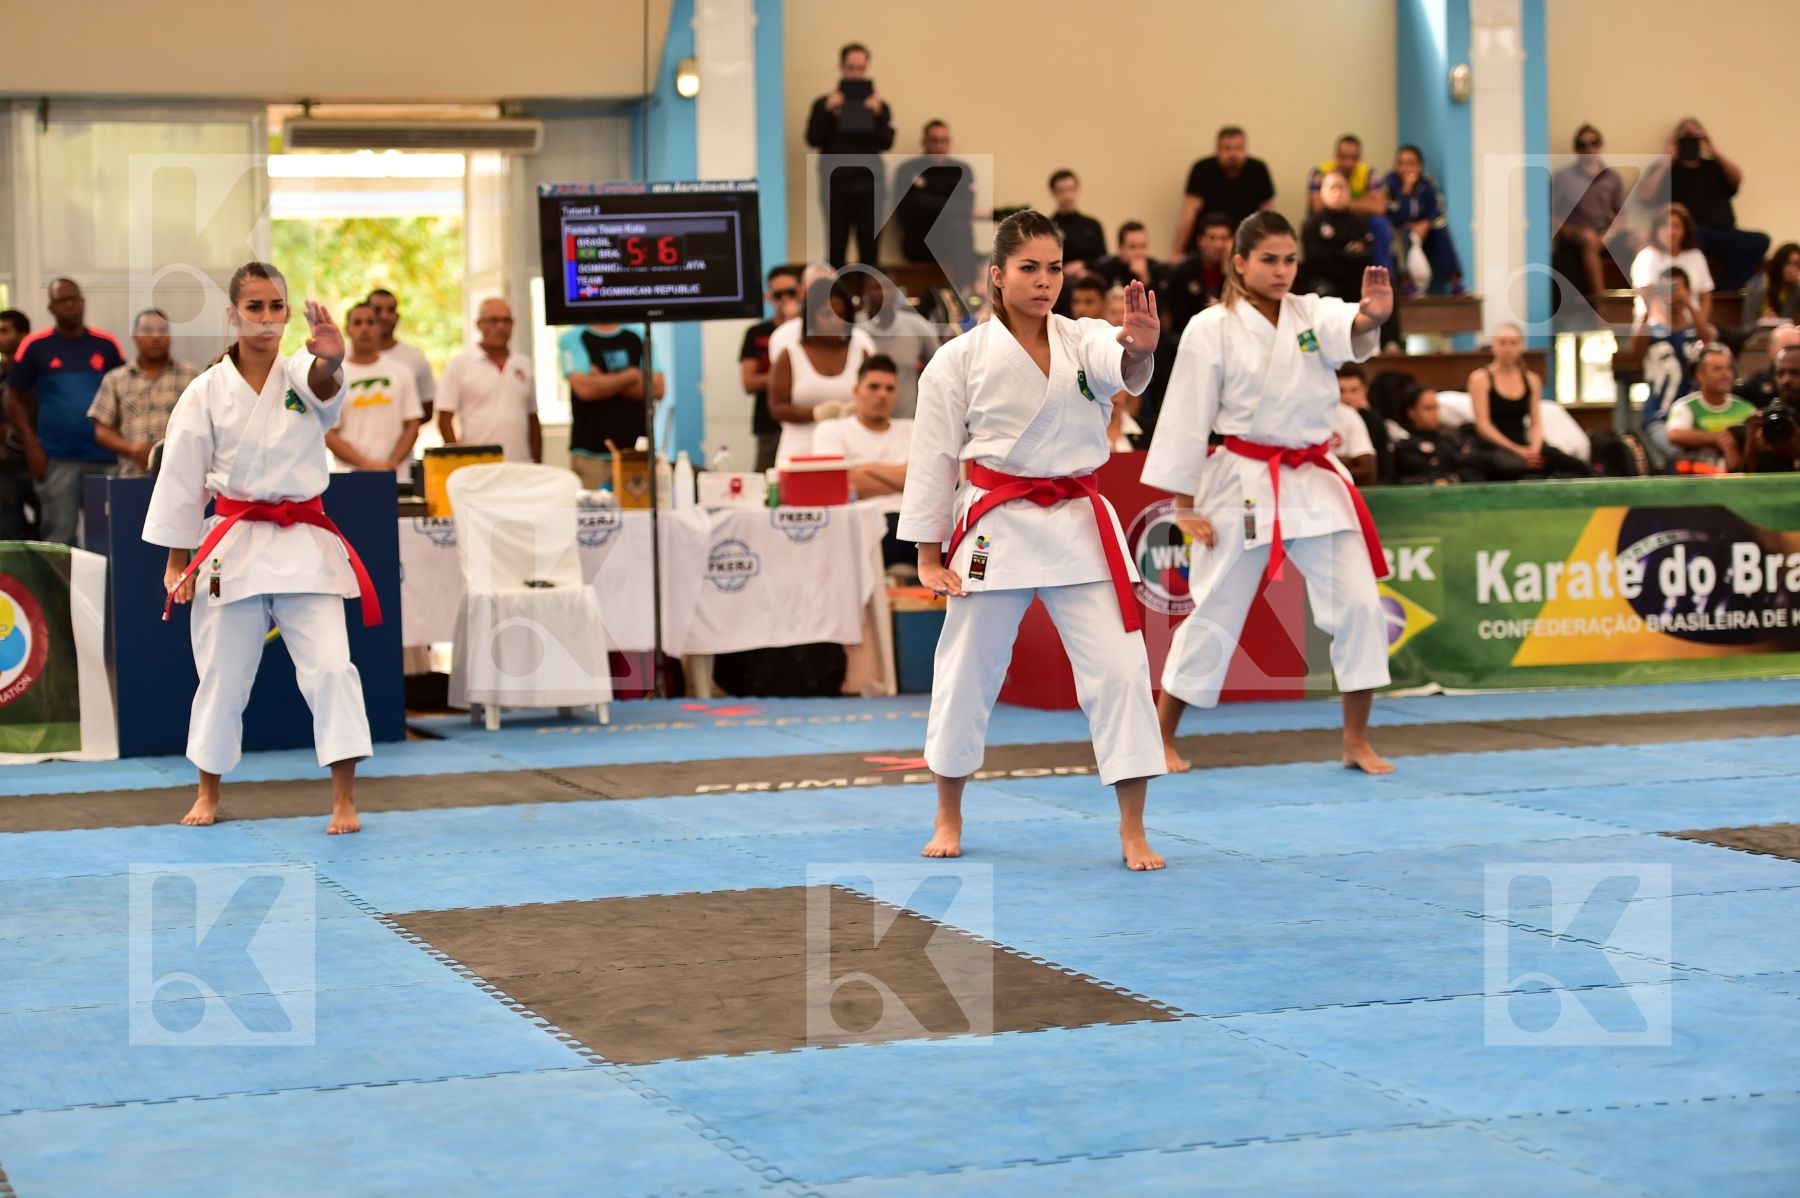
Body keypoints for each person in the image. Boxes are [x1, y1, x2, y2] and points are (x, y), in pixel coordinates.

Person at [899, 210, 1166, 870]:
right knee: (965, 672)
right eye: (1028, 268)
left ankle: (1133, 828)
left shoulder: (1086, 339)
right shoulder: (958, 359)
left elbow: (1121, 364)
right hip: (999, 523)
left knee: (1122, 670)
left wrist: (1139, 347)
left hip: (1078, 521)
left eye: (1053, 268)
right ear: (997, 276)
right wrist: (928, 556)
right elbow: (933, 456)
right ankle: (948, 811)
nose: (1044, 281)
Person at [1144, 213, 1395, 777]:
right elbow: (1187, 413)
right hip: (1243, 478)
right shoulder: (1212, 327)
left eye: (1289, 260)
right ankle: (1158, 737)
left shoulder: (1311, 312)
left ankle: (1356, 740)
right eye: (1268, 260)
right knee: (1213, 611)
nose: (1281, 271)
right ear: (1239, 263)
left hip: (1313, 477)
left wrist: (1370, 315)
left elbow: (1349, 329)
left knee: (1360, 604)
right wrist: (1183, 507)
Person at [147, 261, 374, 835]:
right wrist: (178, 561)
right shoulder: (204, 392)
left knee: (331, 668)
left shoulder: (302, 373)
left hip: (304, 540)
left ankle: (344, 799)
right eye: (255, 307)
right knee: (222, 673)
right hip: (234, 541)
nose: (267, 317)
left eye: (276, 306)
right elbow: (180, 477)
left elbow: (325, 389)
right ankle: (208, 791)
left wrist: (331, 358)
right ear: (233, 314)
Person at [2, 278, 126, 545]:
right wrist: (31, 446)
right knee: (59, 537)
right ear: (51, 307)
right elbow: (13, 398)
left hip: (104, 458)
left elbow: (124, 395)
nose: (70, 305)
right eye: (62, 300)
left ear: (82, 303)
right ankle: (60, 589)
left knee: (108, 538)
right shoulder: (36, 346)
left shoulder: (107, 345)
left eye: (74, 299)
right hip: (57, 459)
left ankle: (106, 589)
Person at [1641, 118, 1770, 292]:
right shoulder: (1666, 169)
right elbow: (1646, 195)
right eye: (1685, 136)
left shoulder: (1714, 166)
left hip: (1724, 233)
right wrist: (1668, 159)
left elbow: (1737, 180)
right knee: (1692, 240)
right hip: (1691, 234)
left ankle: (1724, 290)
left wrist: (1714, 151)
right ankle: (1693, 291)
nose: (1691, 140)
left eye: (1695, 135)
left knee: (1759, 241)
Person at [814, 355, 914, 570]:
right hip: (862, 523)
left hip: (913, 522)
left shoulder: (913, 430)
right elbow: (838, 486)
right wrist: (904, 477)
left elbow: (926, 482)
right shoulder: (831, 430)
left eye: (889, 389)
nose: (882, 395)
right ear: (856, 391)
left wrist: (866, 469)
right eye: (874, 387)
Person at [805, 42, 895, 268]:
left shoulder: (880, 106)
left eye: (860, 68)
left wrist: (877, 115)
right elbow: (813, 138)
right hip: (836, 186)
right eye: (850, 68)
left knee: (870, 250)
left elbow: (887, 142)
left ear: (867, 68)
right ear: (841, 67)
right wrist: (828, 110)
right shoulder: (823, 104)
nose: (855, 73)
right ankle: (835, 301)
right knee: (836, 249)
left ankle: (871, 301)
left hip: (870, 185)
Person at [767, 276, 875, 463]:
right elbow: (777, 408)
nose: (835, 321)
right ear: (811, 316)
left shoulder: (861, 350)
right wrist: (814, 413)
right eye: (827, 315)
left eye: (842, 315)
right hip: (800, 452)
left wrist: (862, 408)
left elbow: (877, 394)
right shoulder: (790, 354)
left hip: (851, 454)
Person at [88, 310, 200, 480]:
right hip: (131, 477)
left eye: (162, 331)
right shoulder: (116, 379)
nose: (155, 337)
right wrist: (130, 449)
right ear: (135, 336)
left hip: (182, 478)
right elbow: (101, 431)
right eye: (147, 331)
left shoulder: (191, 376)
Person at [1467, 324, 1588, 480]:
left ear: (1521, 346)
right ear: (1494, 346)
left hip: (1524, 443)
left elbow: (1535, 423)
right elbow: (1483, 427)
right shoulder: (1480, 379)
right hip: (1494, 447)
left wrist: (1534, 450)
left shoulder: (1532, 380)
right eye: (1502, 343)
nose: (1508, 349)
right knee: (1510, 466)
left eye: (1513, 343)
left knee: (1568, 462)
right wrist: (1518, 451)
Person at [324, 303, 424, 485]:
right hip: (350, 477)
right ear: (347, 329)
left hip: (397, 477)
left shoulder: (401, 372)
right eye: (358, 323)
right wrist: (366, 465)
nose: (365, 328)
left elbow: (412, 425)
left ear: (379, 328)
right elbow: (329, 433)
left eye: (370, 322)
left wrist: (390, 464)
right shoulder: (334, 376)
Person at [559, 321, 664, 489]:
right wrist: (632, 375)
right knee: (596, 513)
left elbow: (657, 389)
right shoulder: (574, 337)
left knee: (639, 512)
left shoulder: (638, 335)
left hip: (636, 455)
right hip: (591, 456)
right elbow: (585, 390)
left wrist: (602, 380)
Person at [436, 299, 541, 463]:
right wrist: (458, 459)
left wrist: (537, 462)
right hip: (478, 467)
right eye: (494, 320)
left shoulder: (523, 364)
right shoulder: (460, 365)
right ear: (479, 324)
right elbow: (444, 419)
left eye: (507, 320)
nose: (501, 326)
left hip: (520, 465)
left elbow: (532, 418)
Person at [892, 120, 976, 289]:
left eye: (944, 141)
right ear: (924, 142)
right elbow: (907, 211)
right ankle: (967, 291)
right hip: (920, 241)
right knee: (957, 225)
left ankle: (967, 292)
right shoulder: (908, 170)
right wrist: (950, 207)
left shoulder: (962, 170)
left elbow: (966, 208)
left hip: (953, 242)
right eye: (934, 140)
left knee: (959, 228)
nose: (939, 146)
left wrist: (925, 201)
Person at [1170, 126, 1276, 260]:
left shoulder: (1258, 170)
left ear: (1245, 150)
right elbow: (1188, 213)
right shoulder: (1202, 170)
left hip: (1245, 243)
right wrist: (1176, 252)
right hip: (1207, 243)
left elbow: (1268, 215)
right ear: (1217, 150)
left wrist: (1272, 249)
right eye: (1227, 148)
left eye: (1238, 148)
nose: (1233, 154)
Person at [1550, 124, 1628, 297]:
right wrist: (1568, 230)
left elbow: (1621, 214)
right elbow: (1552, 214)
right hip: (1576, 235)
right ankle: (1601, 299)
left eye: (1593, 143)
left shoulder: (1612, 177)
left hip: (1607, 233)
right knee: (1589, 237)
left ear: (1600, 146)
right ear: (1576, 149)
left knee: (1642, 238)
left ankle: (1644, 300)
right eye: (1583, 145)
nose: (1589, 148)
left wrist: (1609, 235)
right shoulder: (1563, 177)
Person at [742, 264, 804, 472]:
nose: (786, 299)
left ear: (801, 293)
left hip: (803, 419)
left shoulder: (812, 331)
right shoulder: (756, 332)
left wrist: (795, 324)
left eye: (791, 293)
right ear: (769, 297)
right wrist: (783, 375)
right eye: (779, 294)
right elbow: (749, 382)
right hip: (768, 425)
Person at [857, 274, 941, 420]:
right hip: (861, 425)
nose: (885, 293)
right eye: (877, 288)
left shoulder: (917, 326)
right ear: (865, 292)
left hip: (908, 423)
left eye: (889, 287)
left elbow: (940, 369)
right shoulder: (853, 327)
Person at [1384, 145, 1465, 296]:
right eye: (1402, 163)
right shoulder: (1390, 183)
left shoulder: (1427, 184)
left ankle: (1455, 282)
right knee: (1400, 234)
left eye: (1411, 163)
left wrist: (1426, 224)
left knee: (1442, 231)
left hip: (1425, 230)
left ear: (1419, 166)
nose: (1407, 168)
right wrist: (1406, 191)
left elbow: (1437, 209)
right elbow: (1393, 214)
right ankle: (1406, 283)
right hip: (1402, 229)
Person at [1307, 135, 1394, 274]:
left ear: (1360, 157)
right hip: (1329, 221)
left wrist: (1345, 203)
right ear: (1335, 155)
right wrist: (1363, 202)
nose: (1348, 162)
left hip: (1356, 223)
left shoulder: (1368, 173)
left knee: (1380, 224)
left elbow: (1379, 207)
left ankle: (1382, 275)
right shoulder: (1321, 172)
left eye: (1353, 157)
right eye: (1343, 157)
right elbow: (1318, 205)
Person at [1640, 267, 1705, 448]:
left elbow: (1710, 339)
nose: (1672, 296)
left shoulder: (1695, 329)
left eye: (1676, 288)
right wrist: (1648, 306)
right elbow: (1635, 350)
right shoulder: (1652, 331)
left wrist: (1690, 303)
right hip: (1660, 415)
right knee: (1679, 457)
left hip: (1694, 415)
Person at [1665, 344, 1756, 471]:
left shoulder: (1746, 408)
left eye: (1728, 368)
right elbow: (1674, 435)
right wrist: (1718, 439)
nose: (1726, 375)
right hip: (1698, 477)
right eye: (1717, 369)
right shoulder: (1686, 406)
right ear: (1700, 375)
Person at [1631, 203, 1715, 338]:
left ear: (1685, 231)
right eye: (1664, 226)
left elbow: (1705, 297)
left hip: (1691, 323)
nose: (1671, 231)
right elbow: (1649, 298)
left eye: (1676, 226)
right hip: (1655, 326)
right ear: (1656, 230)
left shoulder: (1696, 256)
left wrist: (1700, 324)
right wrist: (1670, 331)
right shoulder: (1647, 257)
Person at [1301, 173, 1377, 300]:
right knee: (1326, 294)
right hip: (1324, 280)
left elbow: (1368, 254)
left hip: (1354, 278)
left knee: (1383, 290)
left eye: (1341, 187)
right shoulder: (1312, 223)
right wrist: (1347, 254)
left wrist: (1340, 253)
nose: (1337, 193)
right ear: (1322, 192)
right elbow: (1316, 260)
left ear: (1349, 192)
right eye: (1332, 188)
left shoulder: (1359, 222)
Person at [365, 290, 437, 419]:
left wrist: (402, 432)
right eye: (377, 310)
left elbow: (426, 410)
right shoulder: (344, 360)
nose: (384, 316)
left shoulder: (415, 358)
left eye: (390, 310)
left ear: (397, 316)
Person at [1391, 385, 1483, 484]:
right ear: (1411, 412)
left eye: (1436, 408)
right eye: (1428, 409)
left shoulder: (1451, 441)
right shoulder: (1405, 448)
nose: (1434, 414)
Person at [0, 308, 33, 539]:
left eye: (4, 331)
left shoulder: (39, 374)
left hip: (41, 460)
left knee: (49, 524)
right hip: (6, 464)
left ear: (23, 335)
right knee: (9, 527)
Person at [1741, 345, 1800, 473]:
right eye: (1780, 374)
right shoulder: (1769, 420)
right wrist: (1751, 447)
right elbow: (1751, 484)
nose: (1786, 380)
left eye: (1795, 373)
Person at [1047, 170, 1107, 279]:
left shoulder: (1093, 225)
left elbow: (1103, 259)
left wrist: (1084, 265)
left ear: (1078, 190)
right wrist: (1064, 269)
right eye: (1061, 191)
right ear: (1053, 193)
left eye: (1070, 189)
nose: (1067, 195)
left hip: (1089, 280)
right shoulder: (1048, 228)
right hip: (1060, 281)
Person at [1741, 244, 1800, 336]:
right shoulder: (1757, 287)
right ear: (1779, 264)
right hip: (1757, 337)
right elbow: (1745, 328)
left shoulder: (1795, 288)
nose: (1793, 269)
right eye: (1788, 263)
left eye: (1797, 265)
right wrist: (1762, 322)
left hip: (1782, 336)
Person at [1091, 221, 1165, 291]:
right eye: (1132, 247)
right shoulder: (1104, 269)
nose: (1139, 252)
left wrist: (1144, 278)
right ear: (1120, 248)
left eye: (1143, 246)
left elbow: (1161, 302)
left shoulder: (1156, 269)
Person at [1741, 322, 1800, 409]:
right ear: (1771, 350)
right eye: (1787, 348)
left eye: (1796, 348)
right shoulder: (1755, 386)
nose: (1786, 380)